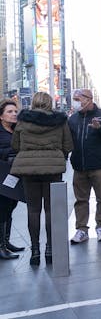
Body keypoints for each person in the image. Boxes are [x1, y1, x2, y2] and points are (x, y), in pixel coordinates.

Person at [10, 92, 73, 266]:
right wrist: (57, 155)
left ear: (33, 102)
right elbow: (68, 145)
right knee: (51, 210)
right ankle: (50, 249)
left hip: (28, 170)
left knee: (33, 210)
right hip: (53, 169)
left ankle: (35, 250)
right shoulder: (60, 121)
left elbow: (15, 145)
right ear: (49, 103)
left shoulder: (23, 121)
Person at [68, 89, 101, 244]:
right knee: (81, 200)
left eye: (77, 99)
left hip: (99, 166)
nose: (75, 102)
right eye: (74, 99)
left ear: (88, 99)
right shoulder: (72, 119)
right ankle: (81, 230)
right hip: (79, 166)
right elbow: (68, 140)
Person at [0, 99, 22, 259]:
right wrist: (10, 153)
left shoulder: (17, 131)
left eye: (15, 111)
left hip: (14, 175)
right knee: (2, 209)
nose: (14, 114)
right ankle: (1, 247)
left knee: (10, 207)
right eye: (9, 111)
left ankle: (6, 242)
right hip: (2, 175)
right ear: (1, 116)